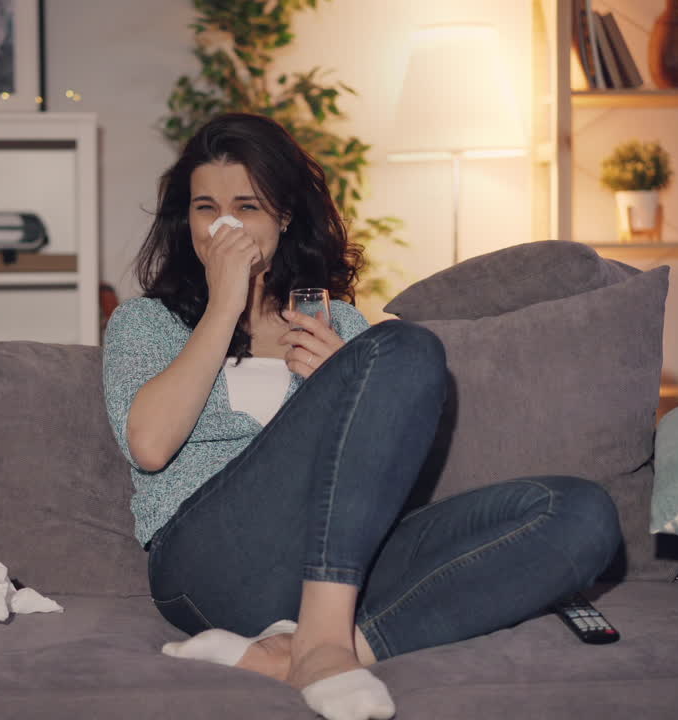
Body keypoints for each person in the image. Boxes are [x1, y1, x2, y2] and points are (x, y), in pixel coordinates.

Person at [101, 113, 621, 720]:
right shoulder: (145, 323)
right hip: (209, 565)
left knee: (581, 511)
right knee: (402, 348)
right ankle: (324, 649)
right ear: (185, 218)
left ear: (284, 216)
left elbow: (379, 473)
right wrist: (224, 304)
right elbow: (150, 445)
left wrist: (345, 390)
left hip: (338, 567)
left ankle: (296, 653)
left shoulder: (338, 324)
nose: (224, 226)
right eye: (205, 208)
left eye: (246, 207)